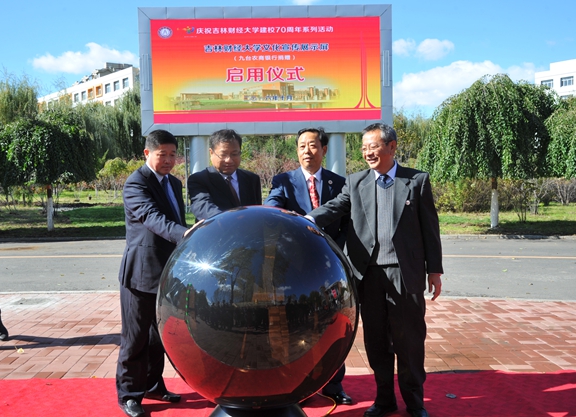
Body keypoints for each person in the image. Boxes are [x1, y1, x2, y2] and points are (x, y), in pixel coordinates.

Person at [307, 123, 443, 417]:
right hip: (367, 276)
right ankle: (384, 400)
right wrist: (307, 219)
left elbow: (430, 229)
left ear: (392, 147)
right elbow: (335, 207)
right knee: (376, 341)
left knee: (409, 341)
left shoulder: (416, 181)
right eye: (364, 148)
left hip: (404, 274)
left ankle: (415, 403)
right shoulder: (356, 182)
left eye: (373, 146)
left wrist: (434, 270)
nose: (367, 152)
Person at [264, 127, 352, 405]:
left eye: (312, 145)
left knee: (332, 324)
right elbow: (272, 207)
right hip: (294, 268)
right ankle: (298, 385)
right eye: (302, 146)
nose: (307, 151)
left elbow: (346, 224)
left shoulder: (340, 183)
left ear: (324, 150)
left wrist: (332, 252)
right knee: (297, 327)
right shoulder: (283, 181)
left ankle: (334, 385)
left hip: (327, 265)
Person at [116, 129, 191, 417]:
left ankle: (152, 385)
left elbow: (175, 218)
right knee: (135, 338)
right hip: (141, 273)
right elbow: (152, 218)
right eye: (163, 155)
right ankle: (129, 395)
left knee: (159, 336)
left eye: (173, 155)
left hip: (167, 271)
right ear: (147, 153)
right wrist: (185, 234)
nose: (169, 160)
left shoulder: (174, 183)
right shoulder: (136, 182)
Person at [187, 129, 262, 221]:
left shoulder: (252, 179)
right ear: (211, 153)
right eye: (223, 155)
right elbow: (204, 208)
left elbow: (256, 212)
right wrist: (229, 220)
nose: (229, 160)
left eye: (234, 154)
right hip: (217, 229)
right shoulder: (199, 180)